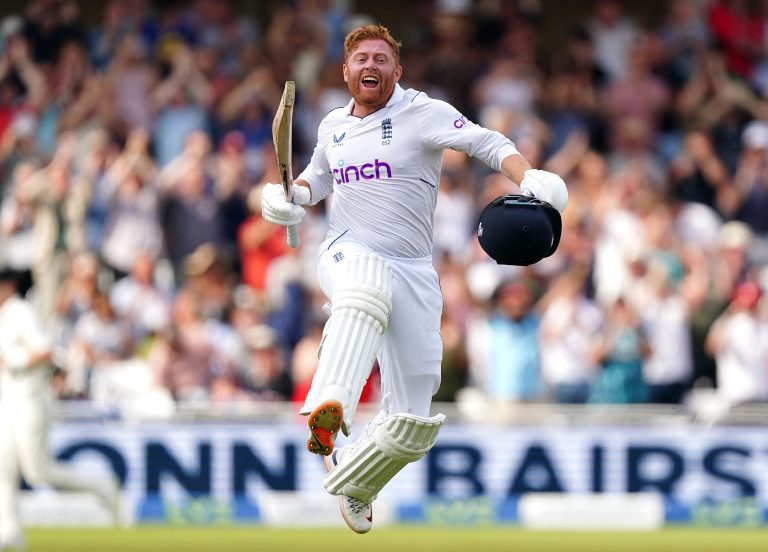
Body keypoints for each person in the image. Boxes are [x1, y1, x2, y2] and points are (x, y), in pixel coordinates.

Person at [260, 24, 568, 534]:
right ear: (346, 71)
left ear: (396, 72)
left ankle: (355, 479)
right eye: (361, 59)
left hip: (415, 270)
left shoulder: (422, 112)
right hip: (348, 250)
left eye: (381, 59)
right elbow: (315, 178)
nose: (371, 67)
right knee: (363, 293)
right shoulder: (333, 125)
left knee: (412, 426)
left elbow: (487, 142)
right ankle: (329, 413)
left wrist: (528, 176)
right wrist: (287, 198)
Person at [0, 268, 121, 550]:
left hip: (30, 401)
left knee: (38, 473)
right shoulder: (6, 315)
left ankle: (103, 486)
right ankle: (9, 532)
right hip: (9, 401)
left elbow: (45, 349)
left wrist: (13, 360)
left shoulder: (19, 311)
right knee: (2, 466)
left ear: (8, 286)